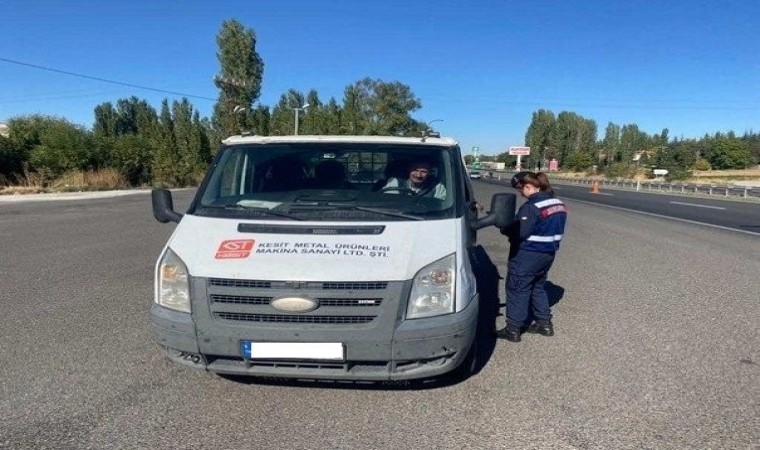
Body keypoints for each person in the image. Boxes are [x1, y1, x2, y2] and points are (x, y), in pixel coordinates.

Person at [495, 171, 568, 342]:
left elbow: (520, 233)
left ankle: (513, 329)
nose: (521, 193)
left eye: (520, 189)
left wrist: (504, 226)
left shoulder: (531, 207)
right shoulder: (558, 204)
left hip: (528, 254)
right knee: (537, 287)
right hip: (547, 254)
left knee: (517, 289)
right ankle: (544, 324)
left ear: (528, 186)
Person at [381, 159, 447, 200]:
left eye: (424, 172)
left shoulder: (437, 187)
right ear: (409, 170)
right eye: (415, 170)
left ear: (429, 173)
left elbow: (441, 206)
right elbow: (389, 202)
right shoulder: (395, 182)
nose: (418, 175)